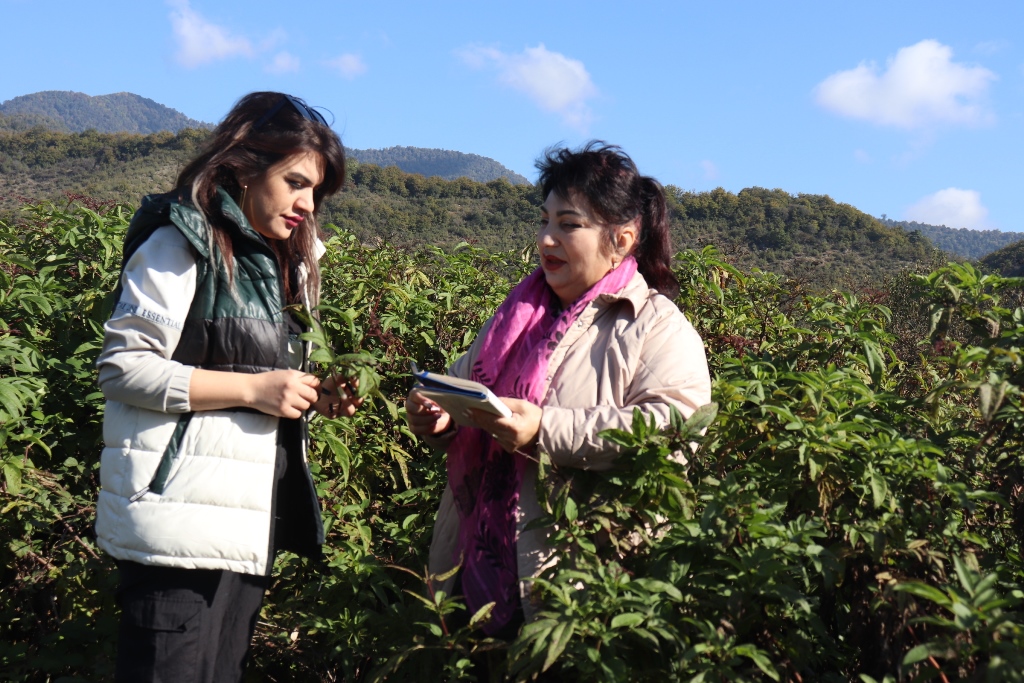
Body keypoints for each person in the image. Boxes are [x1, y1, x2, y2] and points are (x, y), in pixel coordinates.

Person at [94, 92, 359, 682]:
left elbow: (264, 381)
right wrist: (254, 392)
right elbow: (123, 366)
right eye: (295, 182)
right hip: (175, 530)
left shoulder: (284, 266)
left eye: (316, 192)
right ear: (243, 166)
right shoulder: (180, 242)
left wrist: (310, 396)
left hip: (241, 528)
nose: (306, 204)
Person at [405, 142, 712, 638]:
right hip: (470, 574)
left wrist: (544, 429)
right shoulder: (514, 318)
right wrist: (436, 417)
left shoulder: (656, 327)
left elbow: (673, 428)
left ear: (623, 239)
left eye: (569, 225)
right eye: (544, 220)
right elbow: (461, 389)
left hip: (574, 592)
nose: (547, 239)